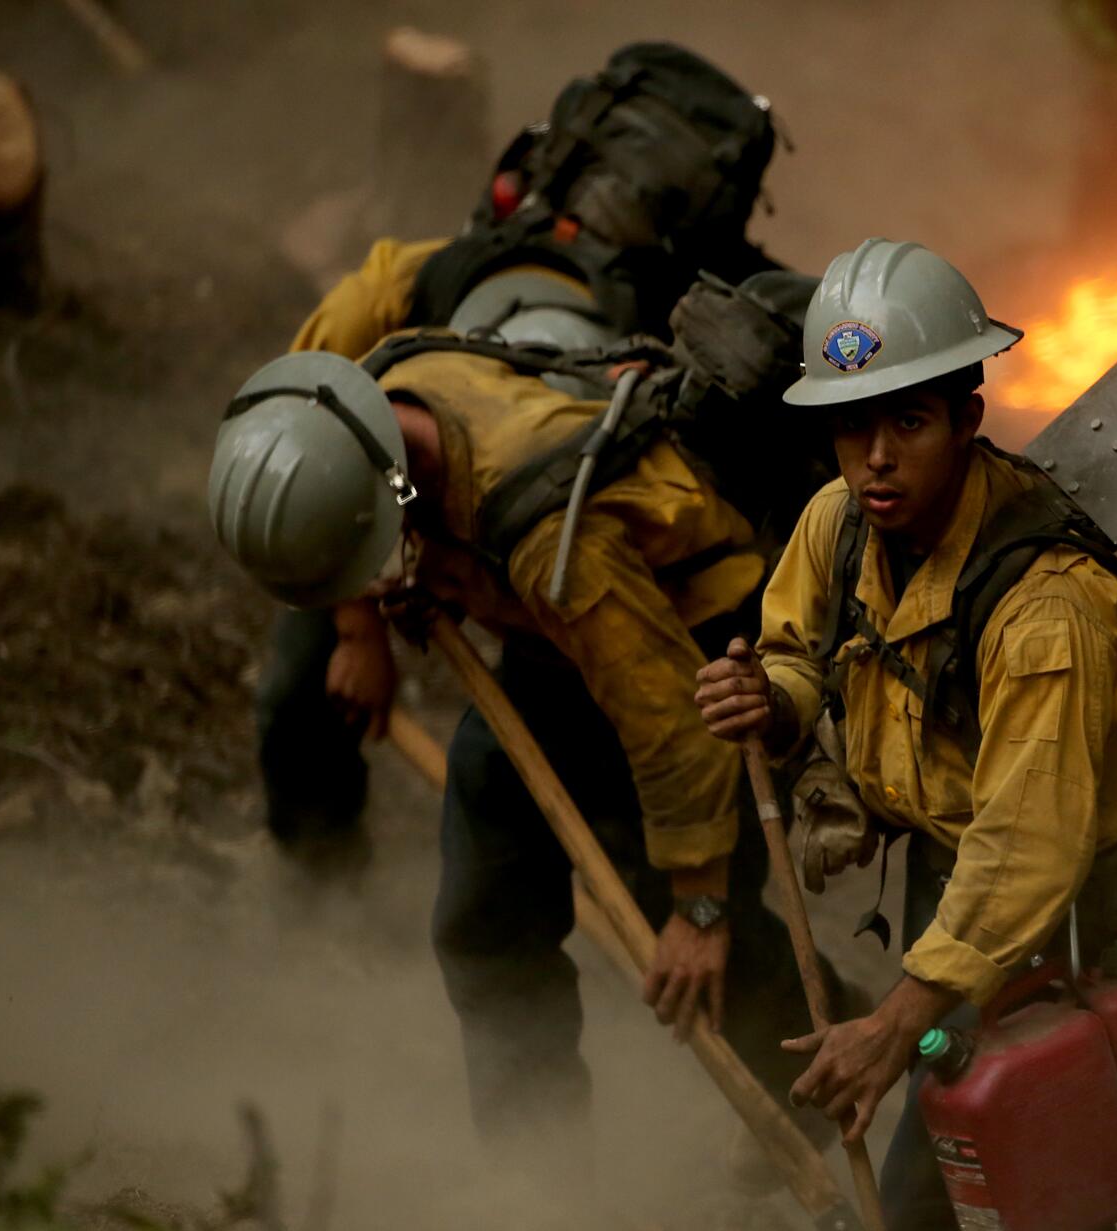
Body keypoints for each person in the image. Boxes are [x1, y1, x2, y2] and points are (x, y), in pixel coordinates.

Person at [211, 334, 834, 1171]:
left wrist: (699, 909)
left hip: (696, 649)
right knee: (485, 913)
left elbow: (673, 727)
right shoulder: (374, 400)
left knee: (678, 921)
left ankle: (824, 1094)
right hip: (557, 650)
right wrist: (402, 592)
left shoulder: (549, 542)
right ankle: (541, 1170)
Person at [694, 238, 1117, 1231]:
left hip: (1067, 908)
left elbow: (1028, 850)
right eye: (851, 425)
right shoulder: (839, 522)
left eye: (905, 421)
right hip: (954, 877)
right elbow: (802, 648)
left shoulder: (1044, 608)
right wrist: (775, 701)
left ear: (966, 413)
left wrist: (897, 1019)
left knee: (939, 1212)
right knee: (1039, 1189)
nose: (875, 459)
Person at [256, 41, 784, 884]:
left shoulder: (550, 494)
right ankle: (317, 867)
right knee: (301, 683)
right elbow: (297, 430)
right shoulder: (407, 284)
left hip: (595, 588)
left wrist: (700, 901)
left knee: (587, 802)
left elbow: (606, 643)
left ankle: (743, 965)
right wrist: (359, 627)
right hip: (395, 498)